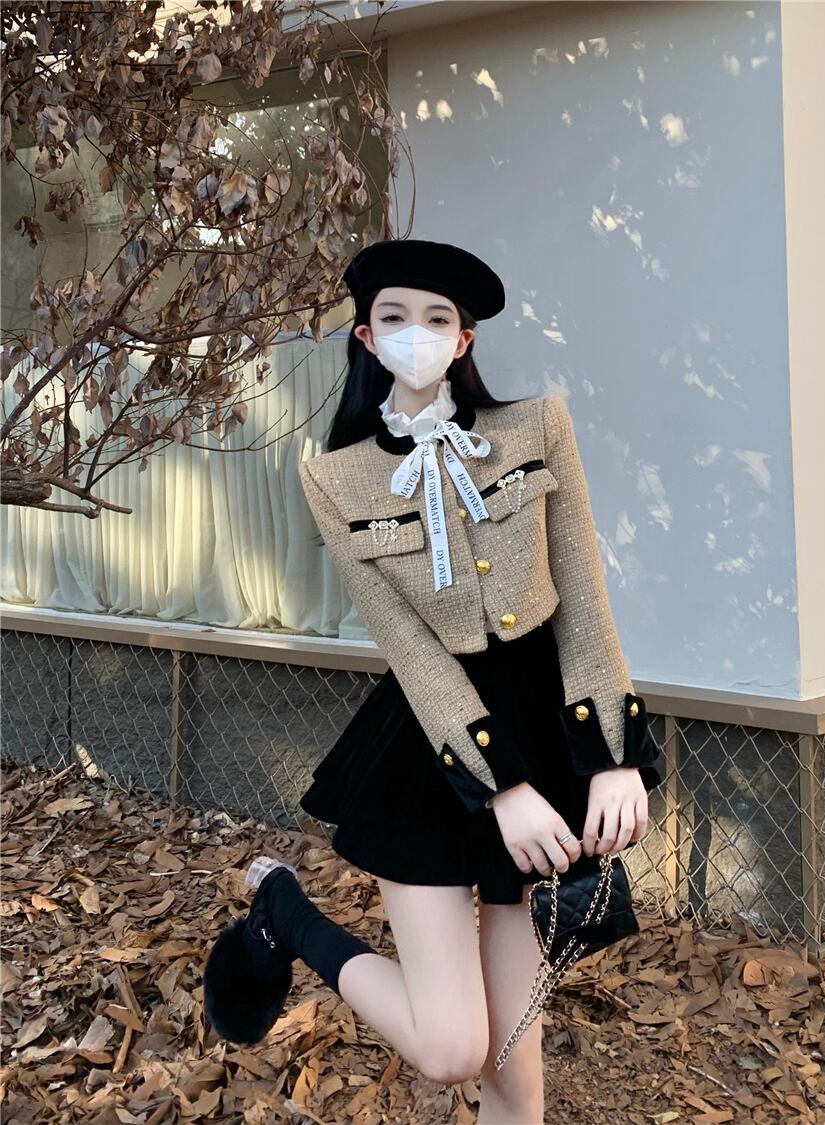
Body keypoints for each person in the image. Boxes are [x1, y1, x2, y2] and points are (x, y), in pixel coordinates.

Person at [203, 238, 662, 1124]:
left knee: (513, 1063)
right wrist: (504, 789)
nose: (416, 332)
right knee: (451, 1047)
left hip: (547, 726)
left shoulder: (538, 426)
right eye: (394, 317)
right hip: (432, 749)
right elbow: (411, 650)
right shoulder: (335, 477)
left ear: (464, 338)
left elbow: (583, 600)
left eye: (437, 317)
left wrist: (612, 756)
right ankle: (285, 914)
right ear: (367, 338)